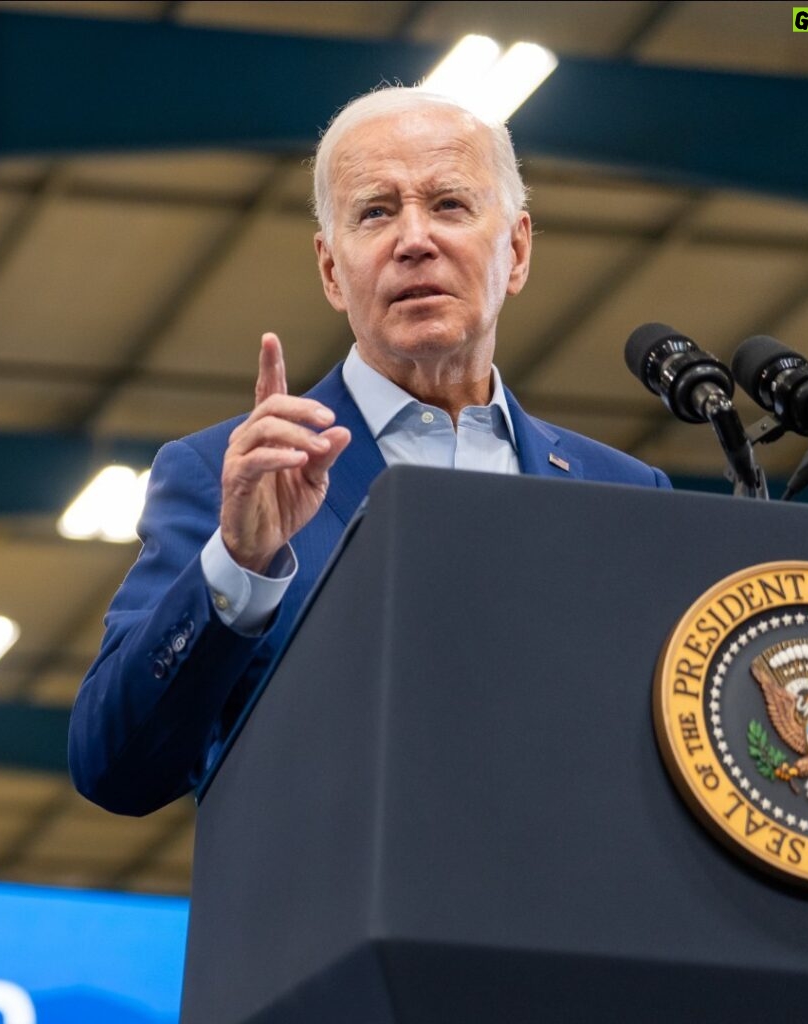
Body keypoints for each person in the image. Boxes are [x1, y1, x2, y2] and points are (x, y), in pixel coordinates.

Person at [68, 86, 670, 816]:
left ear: (515, 250)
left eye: (449, 204)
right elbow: (113, 767)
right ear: (331, 270)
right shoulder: (228, 477)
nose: (414, 239)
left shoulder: (628, 494)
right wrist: (239, 564)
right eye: (376, 212)